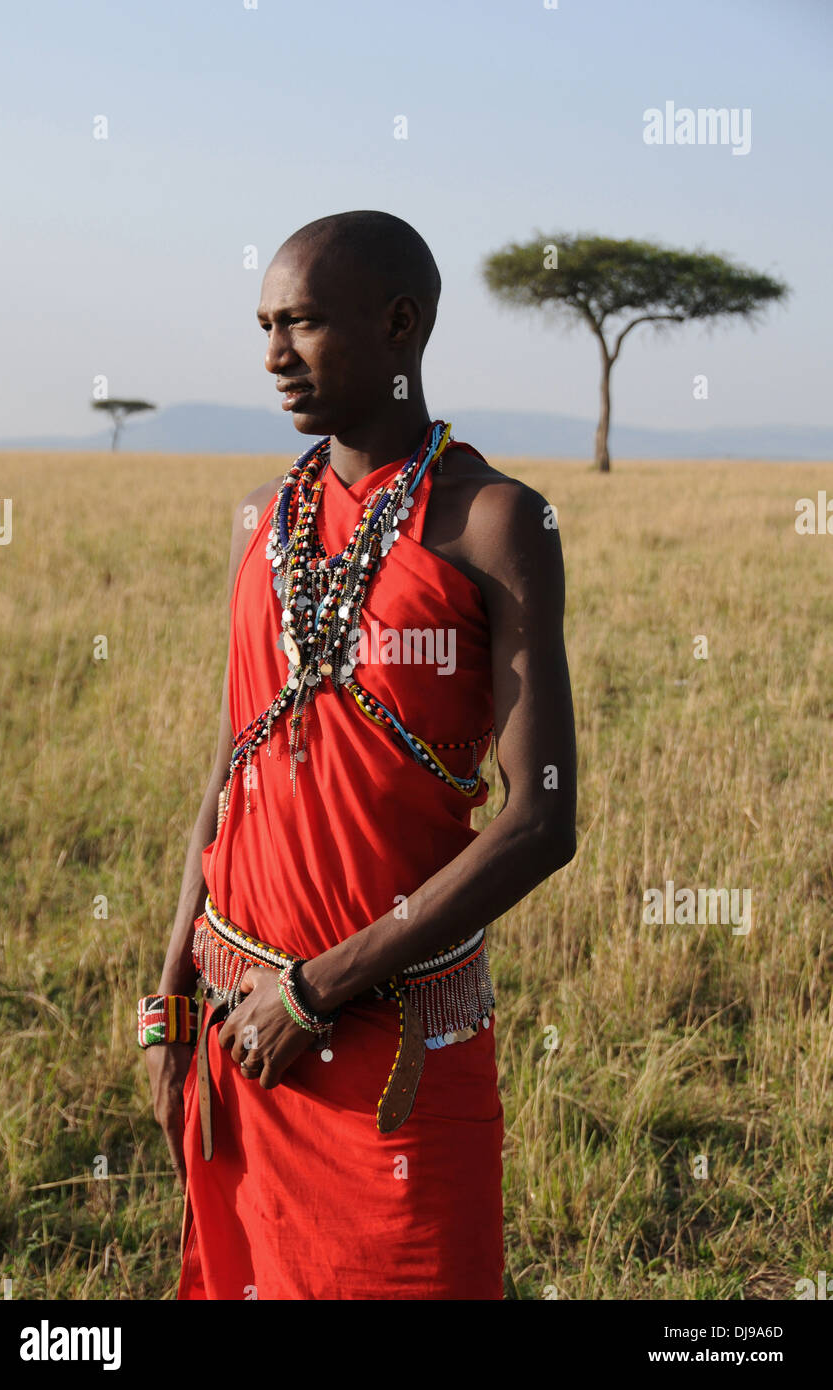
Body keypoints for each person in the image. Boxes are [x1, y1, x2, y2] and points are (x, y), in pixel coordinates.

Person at [140, 210, 577, 1301]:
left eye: (303, 323)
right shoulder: (259, 518)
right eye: (265, 326)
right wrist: (170, 1005)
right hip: (239, 1034)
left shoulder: (490, 523)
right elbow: (233, 766)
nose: (274, 356)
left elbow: (540, 818)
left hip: (393, 1053)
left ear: (398, 327)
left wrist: (313, 993)